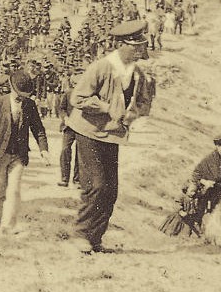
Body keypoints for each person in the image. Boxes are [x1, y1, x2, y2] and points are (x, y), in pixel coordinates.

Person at [65, 20, 155, 253]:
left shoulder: (136, 74)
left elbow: (144, 102)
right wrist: (107, 108)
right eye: (135, 47)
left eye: (141, 46)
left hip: (112, 135)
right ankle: (80, 234)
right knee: (96, 184)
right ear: (122, 45)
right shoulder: (101, 67)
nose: (139, 51)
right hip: (89, 132)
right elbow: (78, 99)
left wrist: (132, 115)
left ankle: (96, 239)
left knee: (111, 190)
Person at [0, 68, 50, 236]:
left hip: (18, 155)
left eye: (25, 95)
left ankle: (8, 226)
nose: (21, 98)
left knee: (13, 190)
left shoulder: (30, 105)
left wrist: (44, 150)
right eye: (19, 94)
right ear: (11, 88)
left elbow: (38, 129)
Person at [162, 132, 221, 238]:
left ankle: (217, 236)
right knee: (203, 214)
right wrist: (205, 182)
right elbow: (196, 174)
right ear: (218, 146)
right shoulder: (209, 159)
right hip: (207, 192)